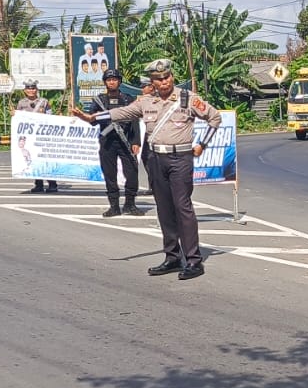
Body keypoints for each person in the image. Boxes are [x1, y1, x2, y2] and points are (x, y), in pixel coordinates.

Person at [73, 58, 222, 280]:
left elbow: (214, 118)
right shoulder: (146, 101)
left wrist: (202, 144)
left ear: (172, 76)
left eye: (167, 77)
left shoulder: (188, 98)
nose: (164, 82)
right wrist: (92, 118)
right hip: (155, 158)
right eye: (158, 79)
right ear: (152, 82)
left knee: (182, 207)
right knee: (163, 208)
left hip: (180, 157)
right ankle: (172, 256)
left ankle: (193, 260)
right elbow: (121, 113)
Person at [88, 68, 144, 217]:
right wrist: (101, 115)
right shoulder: (99, 100)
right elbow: (91, 121)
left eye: (114, 79)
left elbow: (134, 121)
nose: (112, 82)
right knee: (109, 174)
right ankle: (114, 206)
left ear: (119, 81)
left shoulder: (127, 99)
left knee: (132, 172)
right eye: (109, 80)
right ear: (105, 82)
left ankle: (130, 204)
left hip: (126, 141)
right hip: (108, 142)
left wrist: (136, 141)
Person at [13, 80, 57, 193]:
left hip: (43, 135)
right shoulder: (21, 103)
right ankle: (39, 184)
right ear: (25, 90)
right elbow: (18, 119)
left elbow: (50, 115)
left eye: (33, 88)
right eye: (28, 89)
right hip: (29, 136)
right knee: (34, 160)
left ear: (36, 90)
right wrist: (14, 115)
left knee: (46, 159)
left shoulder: (44, 102)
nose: (31, 91)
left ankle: (52, 184)